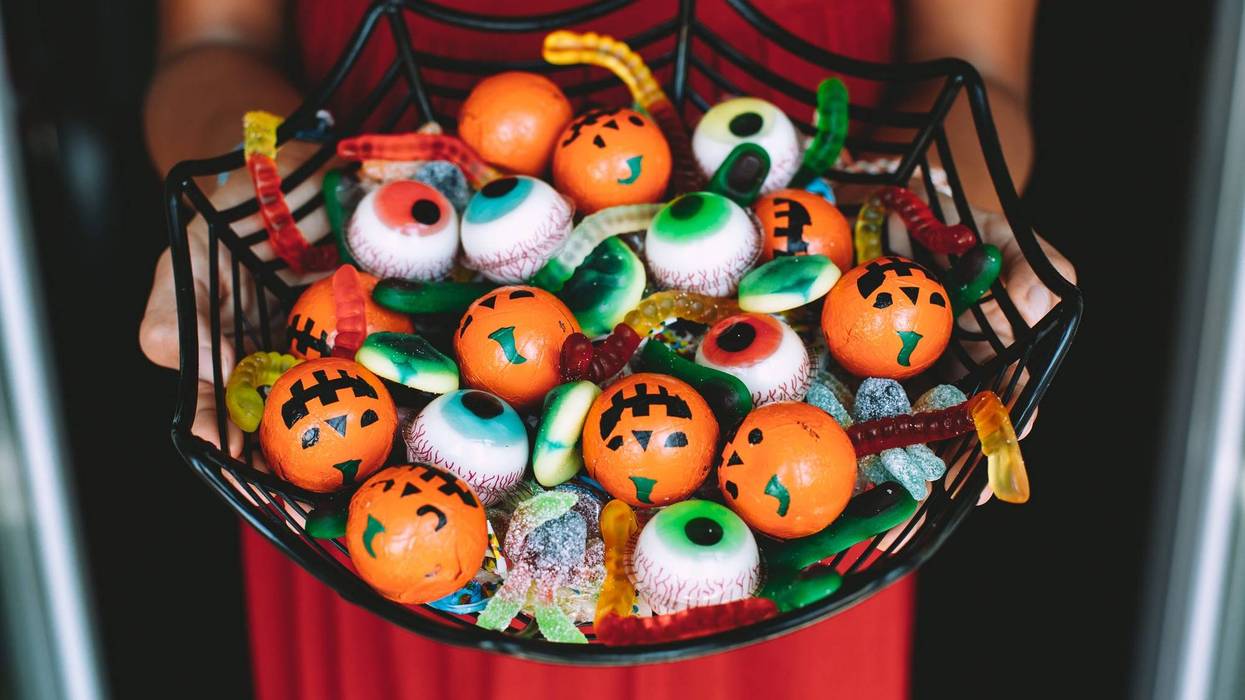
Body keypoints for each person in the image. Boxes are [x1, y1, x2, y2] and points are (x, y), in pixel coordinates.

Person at [140, 1, 1075, 698]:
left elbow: (979, 71)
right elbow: (211, 48)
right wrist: (260, 199)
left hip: (782, 580)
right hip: (390, 551)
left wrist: (947, 217)